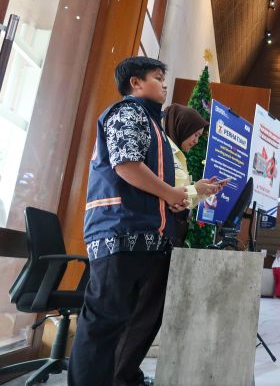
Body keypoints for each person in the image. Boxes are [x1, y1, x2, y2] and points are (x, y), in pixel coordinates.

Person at [68, 57, 189, 386]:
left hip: (139, 235)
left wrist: (172, 200)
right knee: (103, 326)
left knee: (118, 325)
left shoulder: (152, 123)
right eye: (158, 77)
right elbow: (127, 165)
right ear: (135, 83)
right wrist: (170, 195)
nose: (165, 84)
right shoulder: (128, 112)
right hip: (119, 232)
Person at [114, 103, 224, 386]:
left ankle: (129, 372)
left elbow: (180, 199)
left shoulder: (177, 155)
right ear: (182, 127)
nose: (196, 141)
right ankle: (121, 375)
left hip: (169, 239)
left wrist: (201, 191)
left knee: (152, 314)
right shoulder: (162, 152)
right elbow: (168, 196)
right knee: (143, 313)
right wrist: (192, 191)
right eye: (195, 135)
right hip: (154, 239)